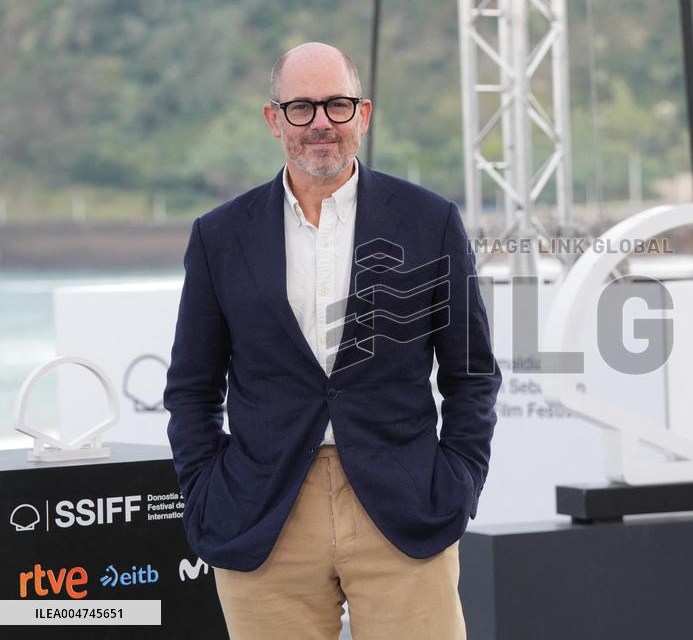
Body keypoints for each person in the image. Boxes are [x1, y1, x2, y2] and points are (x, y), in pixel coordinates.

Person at [164, 42, 501, 639]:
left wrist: (458, 484)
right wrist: (205, 490)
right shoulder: (220, 236)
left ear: (362, 114)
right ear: (274, 120)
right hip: (263, 514)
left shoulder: (429, 222)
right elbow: (192, 387)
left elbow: (471, 372)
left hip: (404, 509)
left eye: (337, 105)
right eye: (301, 107)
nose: (321, 122)